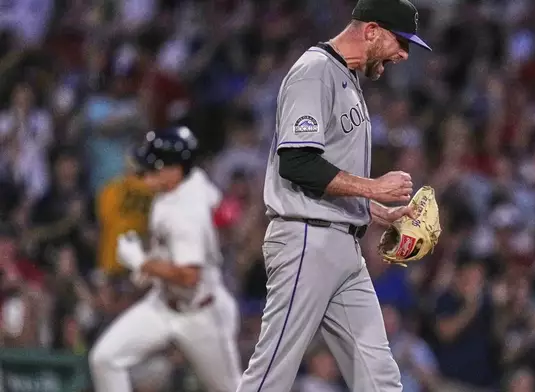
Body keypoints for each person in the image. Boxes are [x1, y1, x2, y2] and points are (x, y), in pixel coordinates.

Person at [236, 0, 432, 391]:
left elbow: (329, 173)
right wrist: (374, 186)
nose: (404, 54)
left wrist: (372, 208)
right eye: (400, 41)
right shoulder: (315, 71)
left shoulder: (347, 77)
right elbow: (296, 163)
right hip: (306, 241)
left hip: (343, 246)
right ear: (372, 30)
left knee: (380, 378)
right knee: (270, 376)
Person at [89, 126, 242, 392]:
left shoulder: (184, 215)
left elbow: (189, 275)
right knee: (105, 359)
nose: (144, 172)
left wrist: (142, 263)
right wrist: (155, 260)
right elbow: (220, 208)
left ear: (173, 170)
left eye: (153, 167)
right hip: (162, 305)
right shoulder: (193, 179)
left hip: (199, 314)